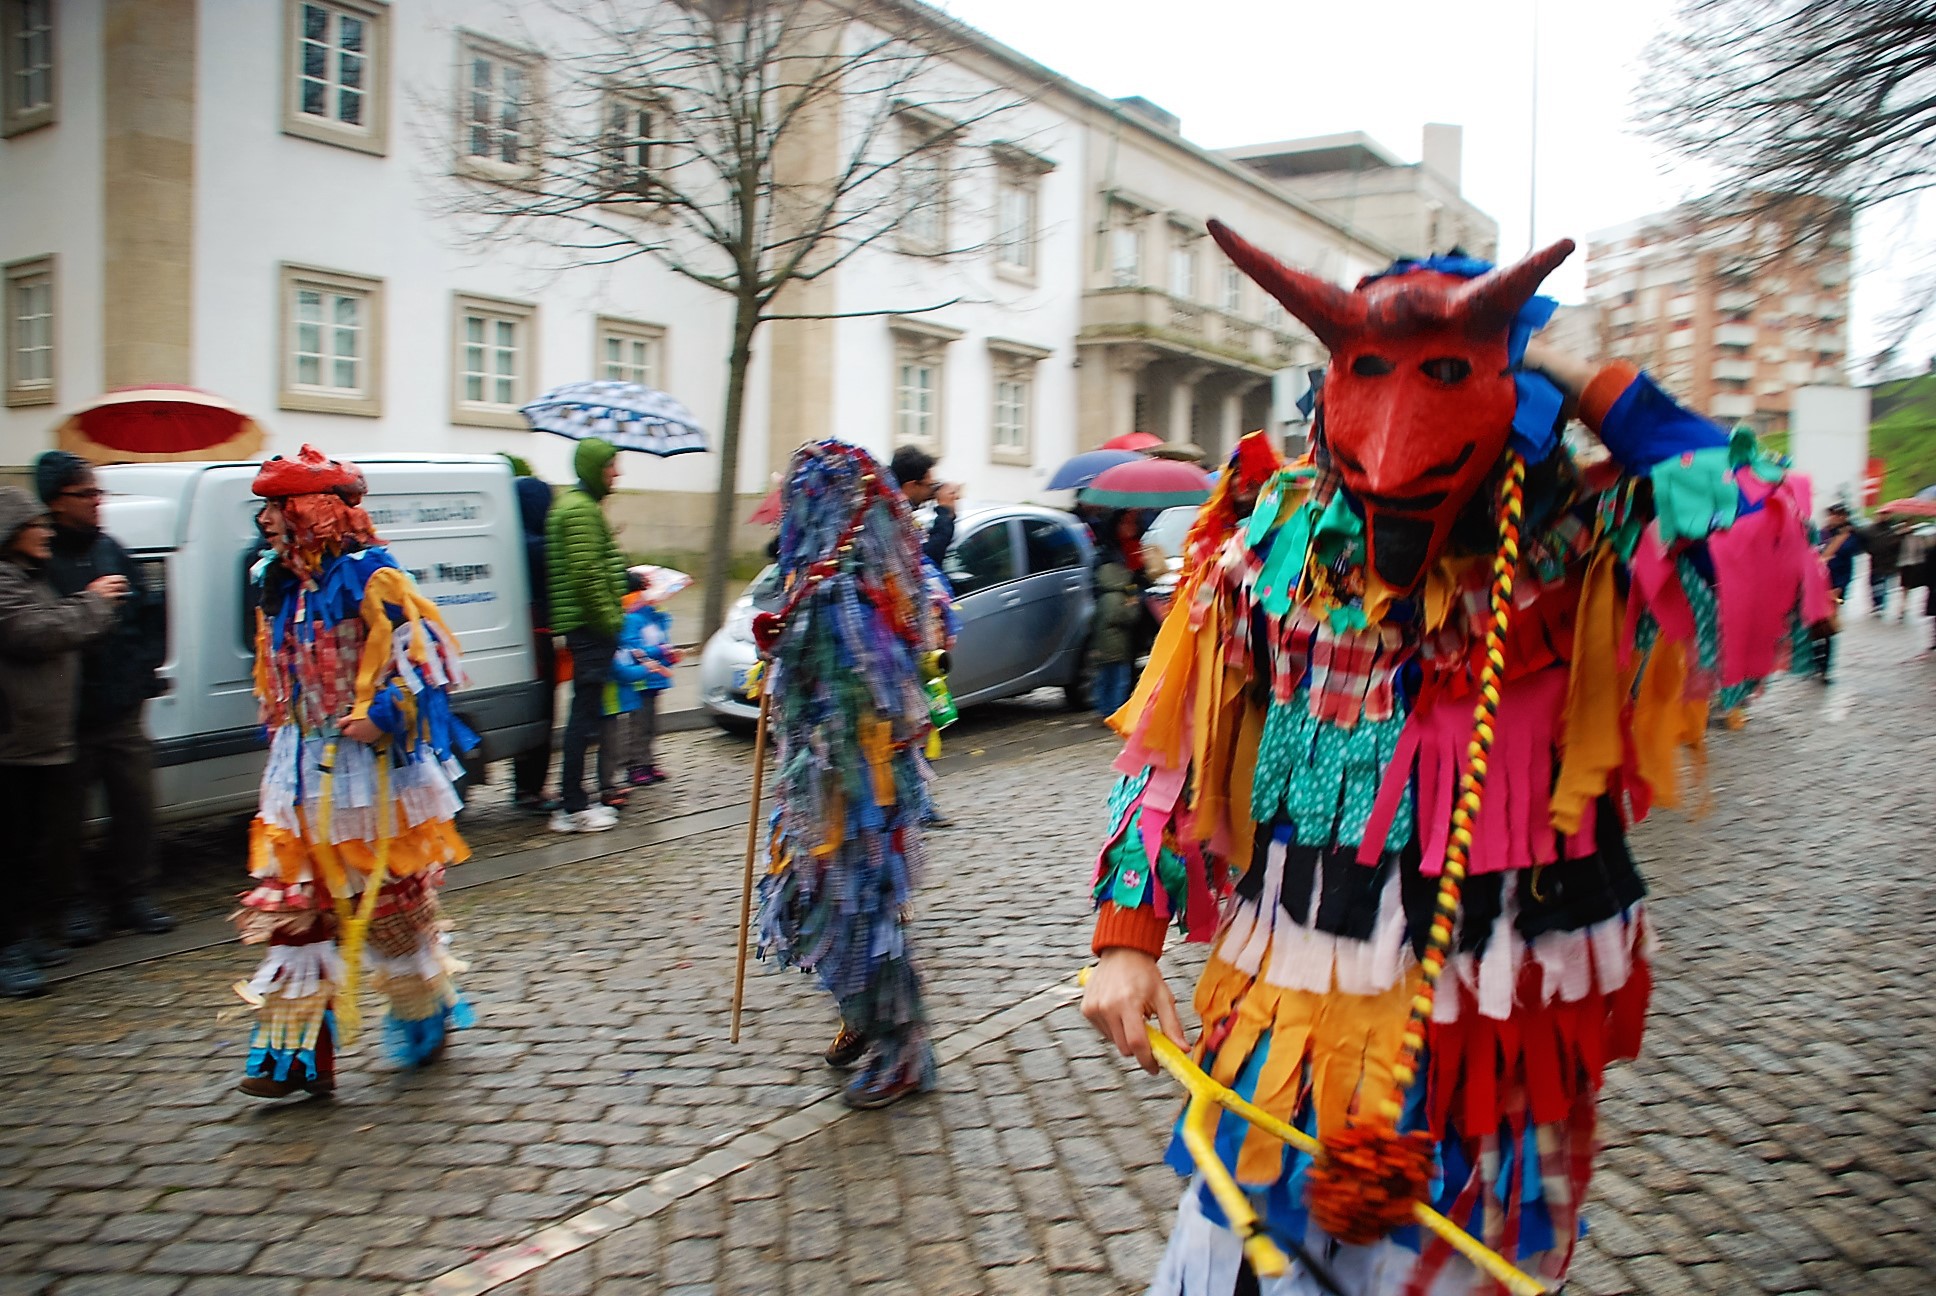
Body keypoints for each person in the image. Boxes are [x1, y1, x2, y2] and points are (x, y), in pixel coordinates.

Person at [1081, 226, 1831, 1294]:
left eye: (1442, 373)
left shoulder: (1583, 552)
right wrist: (1127, 935)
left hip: (1502, 1040)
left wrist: (1599, 382)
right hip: (1286, 1022)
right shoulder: (1268, 554)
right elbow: (1168, 751)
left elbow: (1768, 547)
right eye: (1367, 373)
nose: (1392, 446)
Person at [233, 447, 477, 1098]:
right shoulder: (276, 581)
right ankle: (292, 1059)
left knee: (394, 912)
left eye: (278, 508)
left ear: (315, 512)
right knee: (298, 913)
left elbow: (427, 665)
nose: (266, 521)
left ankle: (424, 1021)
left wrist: (384, 713)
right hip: (301, 769)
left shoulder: (375, 577)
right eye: (265, 508)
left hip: (370, 777)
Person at [759, 439, 942, 1110]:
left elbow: (876, 694)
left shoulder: (860, 593)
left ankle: (903, 1047)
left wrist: (793, 643)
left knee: (864, 913)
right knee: (817, 905)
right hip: (819, 789)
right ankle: (863, 1019)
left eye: (804, 500)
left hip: (860, 794)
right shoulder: (817, 582)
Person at [33, 451, 176, 941]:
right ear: (55, 502)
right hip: (67, 715)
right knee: (64, 821)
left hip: (120, 709)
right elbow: (41, 630)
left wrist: (142, 676)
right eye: (86, 494)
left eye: (99, 492)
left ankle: (132, 896)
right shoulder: (39, 561)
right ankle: (69, 903)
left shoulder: (113, 550)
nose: (98, 502)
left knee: (136, 806)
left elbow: (149, 617)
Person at [0, 488, 122, 997]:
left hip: (39, 739)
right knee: (7, 850)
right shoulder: (6, 581)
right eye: (37, 524)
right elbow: (31, 631)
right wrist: (92, 602)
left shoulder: (29, 576)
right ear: (12, 532)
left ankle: (22, 936)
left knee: (31, 845)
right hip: (13, 741)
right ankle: (7, 950)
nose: (47, 531)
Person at [545, 438, 628, 834]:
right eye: (612, 465)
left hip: (586, 625)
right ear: (595, 468)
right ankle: (573, 805)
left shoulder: (582, 508)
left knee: (585, 714)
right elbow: (587, 576)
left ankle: (574, 799)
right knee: (584, 717)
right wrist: (610, 619)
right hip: (590, 628)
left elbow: (597, 565)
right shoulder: (580, 512)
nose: (618, 472)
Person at [510, 472, 558, 815]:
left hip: (520, 635)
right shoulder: (539, 545)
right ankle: (530, 789)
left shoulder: (510, 540)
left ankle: (523, 786)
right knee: (542, 711)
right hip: (538, 637)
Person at [1088, 517, 1145, 723]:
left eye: (1133, 522)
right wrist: (1130, 602)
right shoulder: (1107, 556)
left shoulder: (1137, 547)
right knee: (1117, 674)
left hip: (1126, 623)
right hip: (1123, 621)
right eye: (1126, 522)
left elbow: (1141, 579)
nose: (1131, 526)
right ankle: (1114, 709)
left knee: (1112, 673)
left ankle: (1111, 707)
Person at [888, 445, 959, 570]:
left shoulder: (894, 506)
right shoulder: (890, 516)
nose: (931, 491)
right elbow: (926, 560)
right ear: (911, 485)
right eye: (929, 485)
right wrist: (945, 513)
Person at [1864, 514, 1902, 616]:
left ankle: (1879, 603)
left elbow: (1897, 545)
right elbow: (1865, 541)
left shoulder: (1892, 528)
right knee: (1874, 582)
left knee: (1882, 582)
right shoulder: (1871, 529)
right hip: (1876, 560)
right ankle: (1877, 602)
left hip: (1888, 560)